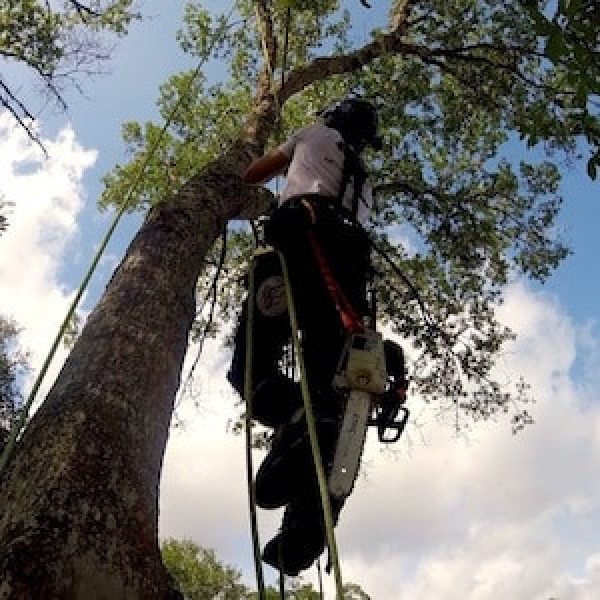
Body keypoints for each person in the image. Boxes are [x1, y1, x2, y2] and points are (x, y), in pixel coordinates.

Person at [227, 97, 383, 575]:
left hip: (305, 239)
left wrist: (230, 173)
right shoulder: (365, 181)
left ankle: (303, 419)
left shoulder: (314, 134)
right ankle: (306, 526)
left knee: (251, 364)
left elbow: (257, 172)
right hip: (351, 270)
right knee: (329, 374)